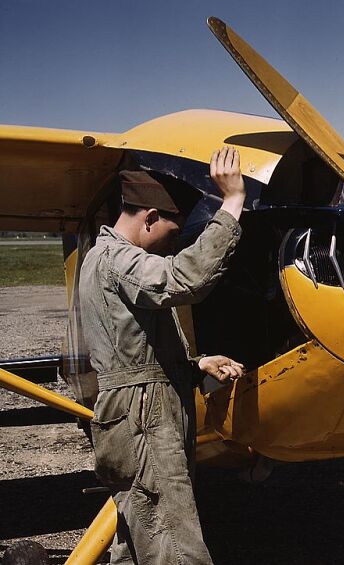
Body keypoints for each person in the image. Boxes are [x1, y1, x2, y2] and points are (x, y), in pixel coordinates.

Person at [79, 146, 246, 564]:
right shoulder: (119, 260)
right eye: (172, 233)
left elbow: (134, 348)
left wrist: (195, 366)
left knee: (143, 537)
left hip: (139, 410)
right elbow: (181, 279)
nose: (171, 245)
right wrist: (232, 203)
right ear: (150, 217)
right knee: (174, 546)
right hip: (143, 417)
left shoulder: (108, 261)